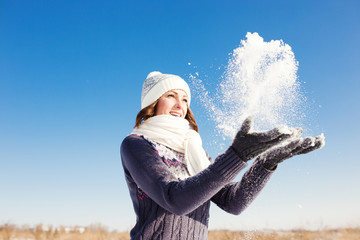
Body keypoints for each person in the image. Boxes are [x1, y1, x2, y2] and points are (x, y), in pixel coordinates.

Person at [120, 71, 325, 240]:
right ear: (152, 102)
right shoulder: (137, 144)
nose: (180, 105)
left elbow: (233, 202)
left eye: (185, 99)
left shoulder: (194, 151)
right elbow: (174, 199)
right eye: (171, 96)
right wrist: (236, 155)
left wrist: (266, 163)